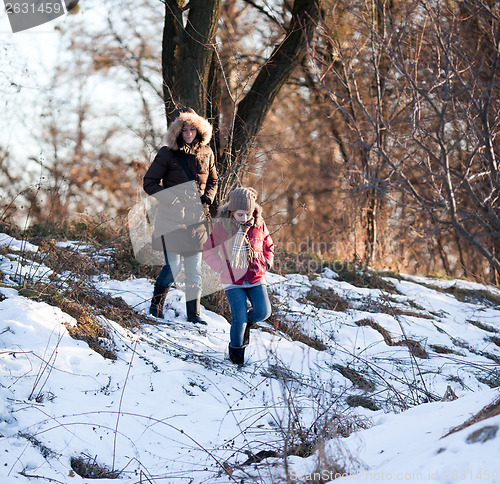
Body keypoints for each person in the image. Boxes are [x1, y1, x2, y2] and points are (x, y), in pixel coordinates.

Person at [144, 108, 218, 324]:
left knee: (195, 271)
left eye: (192, 129)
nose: (188, 133)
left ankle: (193, 315)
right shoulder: (166, 153)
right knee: (174, 267)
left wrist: (208, 199)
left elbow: (214, 180)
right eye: (183, 129)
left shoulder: (207, 152)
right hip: (171, 220)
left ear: (198, 129)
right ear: (176, 131)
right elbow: (149, 183)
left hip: (196, 221)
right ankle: (156, 306)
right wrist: (171, 199)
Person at [203, 187, 274, 364]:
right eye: (240, 215)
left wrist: (266, 262)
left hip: (256, 276)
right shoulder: (223, 227)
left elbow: (268, 246)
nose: (244, 218)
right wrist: (219, 267)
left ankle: (247, 324)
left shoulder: (259, 224)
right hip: (232, 279)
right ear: (232, 212)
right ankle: (236, 357)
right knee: (239, 317)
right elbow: (207, 249)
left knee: (263, 311)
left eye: (248, 214)